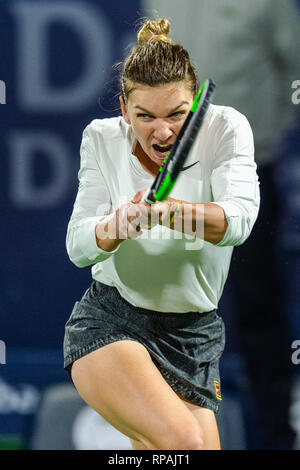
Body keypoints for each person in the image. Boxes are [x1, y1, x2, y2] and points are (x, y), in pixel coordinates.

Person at [63, 18, 259, 450]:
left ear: (194, 106)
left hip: (197, 336)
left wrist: (168, 212)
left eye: (176, 114)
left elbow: (237, 223)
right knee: (184, 444)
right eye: (145, 116)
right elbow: (78, 245)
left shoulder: (226, 128)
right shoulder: (100, 139)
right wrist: (117, 225)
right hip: (113, 323)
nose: (163, 131)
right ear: (123, 110)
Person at [142, 0, 300, 449]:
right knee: (162, 312)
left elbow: (296, 70)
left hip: (247, 172)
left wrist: (261, 136)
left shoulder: (268, 3)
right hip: (170, 174)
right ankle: (167, 443)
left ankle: (272, 439)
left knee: (257, 313)